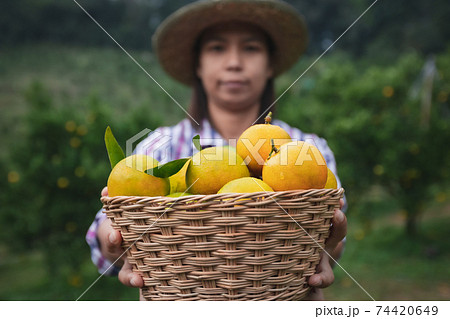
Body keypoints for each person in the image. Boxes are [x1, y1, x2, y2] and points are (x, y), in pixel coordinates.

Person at [86, 0, 347, 301]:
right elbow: (103, 233)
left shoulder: (308, 148)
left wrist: (327, 250)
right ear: (198, 63)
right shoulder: (159, 147)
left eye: (250, 48)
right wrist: (116, 240)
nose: (234, 62)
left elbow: (332, 229)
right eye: (217, 48)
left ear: (270, 64)